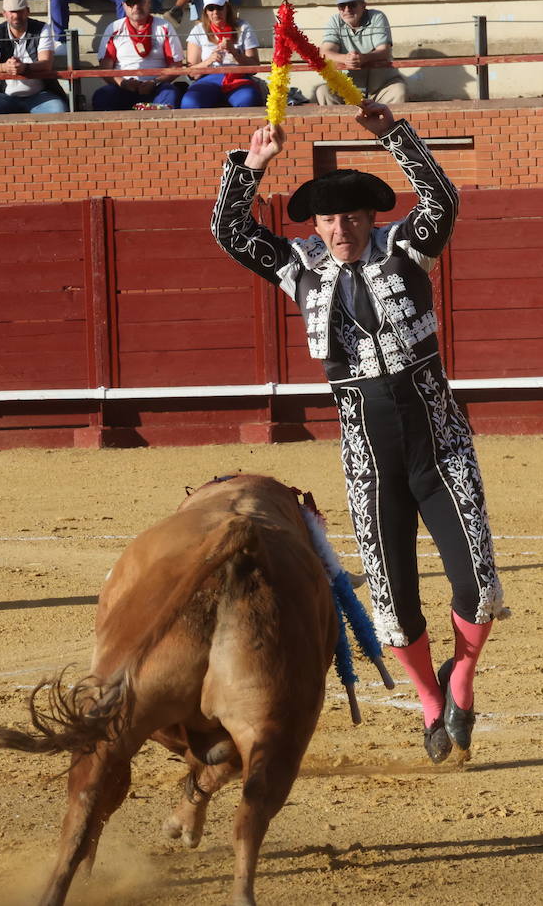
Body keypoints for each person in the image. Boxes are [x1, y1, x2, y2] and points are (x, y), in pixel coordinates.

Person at [211, 102, 507, 765]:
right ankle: (430, 701)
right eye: (328, 220)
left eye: (350, 218)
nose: (339, 230)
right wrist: (252, 166)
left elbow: (442, 199)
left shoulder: (406, 248)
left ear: (371, 218)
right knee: (394, 601)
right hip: (369, 461)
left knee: (478, 584)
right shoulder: (300, 266)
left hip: (441, 447)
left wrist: (395, 136)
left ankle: (461, 676)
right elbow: (230, 231)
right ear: (314, 226)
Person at [0, 0, 66, 115]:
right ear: (4, 14)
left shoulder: (42, 29)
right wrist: (5, 67)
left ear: (28, 11)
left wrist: (24, 67)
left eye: (20, 11)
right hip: (3, 96)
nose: (16, 16)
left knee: (59, 111)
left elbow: (46, 64)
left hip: (40, 95)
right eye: (12, 12)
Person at [92, 0, 184, 110]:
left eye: (140, 2)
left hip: (157, 87)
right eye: (131, 3)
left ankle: (159, 121)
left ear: (148, 2)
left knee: (170, 93)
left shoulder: (164, 26)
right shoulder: (114, 28)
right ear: (124, 5)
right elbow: (105, 68)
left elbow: (176, 66)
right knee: (102, 96)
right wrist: (123, 83)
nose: (136, 7)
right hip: (123, 88)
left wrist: (154, 82)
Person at [316, 0, 406, 105]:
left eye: (352, 5)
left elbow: (384, 51)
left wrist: (363, 58)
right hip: (347, 90)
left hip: (381, 88)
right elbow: (325, 52)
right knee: (323, 92)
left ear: (363, 6)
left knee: (398, 91)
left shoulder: (377, 17)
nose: (347, 10)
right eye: (342, 6)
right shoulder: (334, 21)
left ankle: (387, 118)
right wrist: (346, 59)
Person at [181, 0, 260, 109]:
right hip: (208, 78)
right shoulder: (198, 31)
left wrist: (235, 53)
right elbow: (191, 73)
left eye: (219, 7)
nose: (215, 12)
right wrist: (209, 61)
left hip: (237, 77)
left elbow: (254, 66)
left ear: (227, 7)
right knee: (190, 102)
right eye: (211, 8)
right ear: (205, 11)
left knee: (249, 99)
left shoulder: (243, 27)